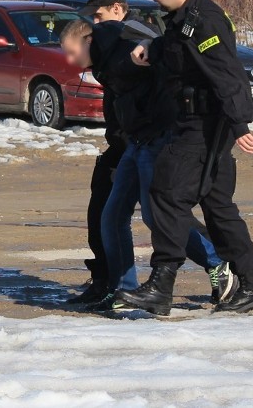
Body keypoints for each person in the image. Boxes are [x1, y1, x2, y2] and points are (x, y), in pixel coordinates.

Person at [116, 0, 253, 315]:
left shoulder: (205, 20)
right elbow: (177, 51)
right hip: (197, 121)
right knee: (219, 209)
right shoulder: (183, 19)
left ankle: (161, 286)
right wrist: (152, 50)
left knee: (166, 194)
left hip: (203, 125)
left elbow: (227, 74)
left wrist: (240, 125)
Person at [60, 18, 237, 311]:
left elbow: (162, 84)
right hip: (136, 141)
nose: (68, 60)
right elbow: (122, 107)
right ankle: (123, 290)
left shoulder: (126, 50)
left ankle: (218, 264)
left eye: (71, 51)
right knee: (112, 216)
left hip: (158, 138)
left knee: (158, 216)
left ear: (87, 40)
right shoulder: (104, 59)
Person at [65, 0, 147, 304]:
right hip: (122, 142)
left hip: (145, 142)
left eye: (98, 16)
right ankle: (107, 281)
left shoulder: (136, 35)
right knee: (101, 211)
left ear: (116, 8)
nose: (94, 24)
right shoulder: (109, 43)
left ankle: (218, 267)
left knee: (169, 218)